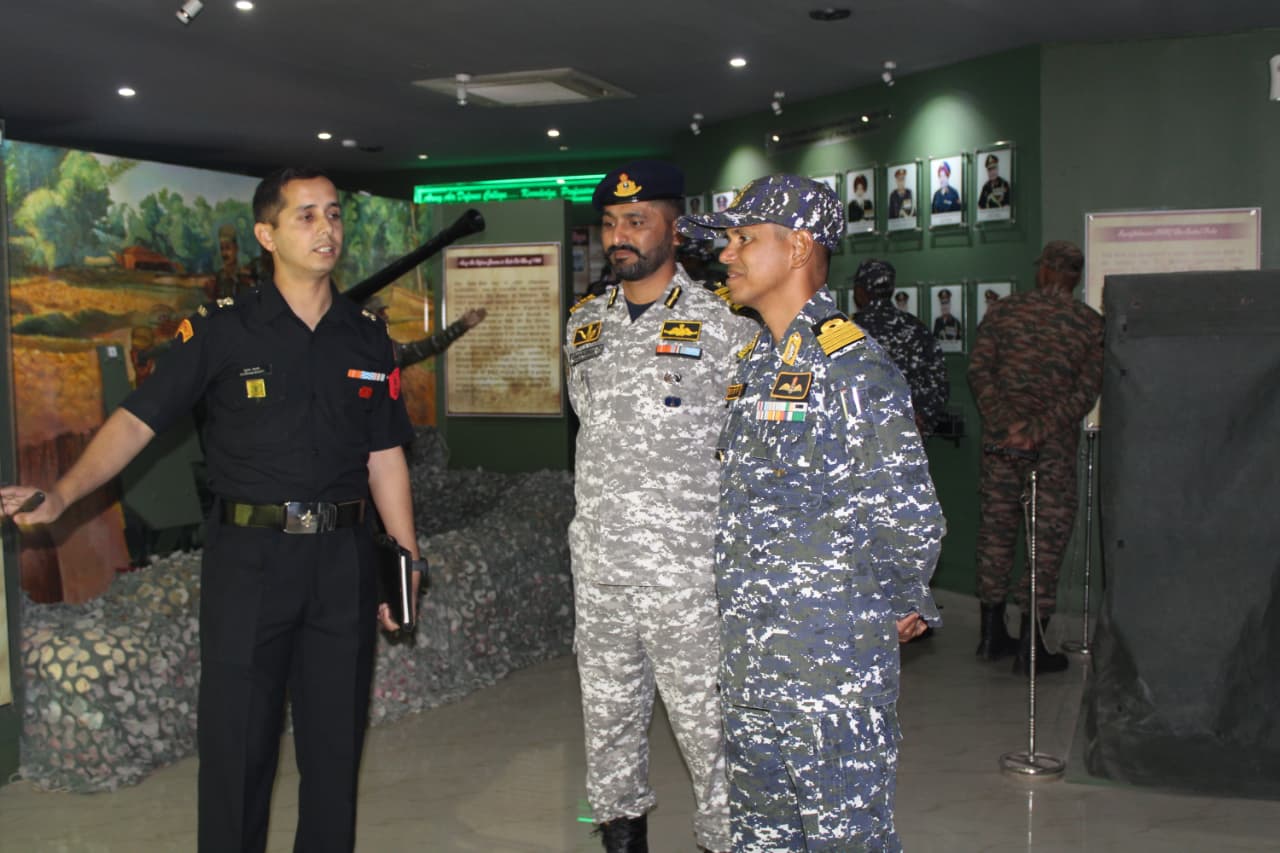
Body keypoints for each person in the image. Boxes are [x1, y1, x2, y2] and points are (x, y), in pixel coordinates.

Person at [2, 167, 422, 853]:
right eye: (306, 215)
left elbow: (385, 455)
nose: (326, 228)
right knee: (237, 750)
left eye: (334, 213)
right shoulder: (224, 331)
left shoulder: (366, 336)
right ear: (266, 234)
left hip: (342, 562)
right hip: (250, 563)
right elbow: (138, 419)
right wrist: (63, 494)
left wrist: (404, 560)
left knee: (335, 751)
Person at [677, 175, 944, 852]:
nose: (727, 254)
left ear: (797, 248)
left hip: (828, 672)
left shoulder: (852, 366)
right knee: (761, 839)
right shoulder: (757, 359)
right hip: (753, 661)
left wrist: (896, 601)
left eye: (744, 239)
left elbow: (908, 506)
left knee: (845, 839)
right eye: (728, 240)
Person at [565, 160, 757, 853]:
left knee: (712, 734)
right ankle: (621, 838)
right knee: (608, 726)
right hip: (602, 569)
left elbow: (748, 452)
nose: (619, 235)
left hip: (687, 576)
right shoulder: (584, 324)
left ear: (675, 230)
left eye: (636, 221)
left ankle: (726, 841)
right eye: (610, 223)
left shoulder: (727, 325)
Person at [968, 240, 1103, 673]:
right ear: (1075, 277)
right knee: (1044, 542)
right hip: (1052, 450)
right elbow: (1085, 392)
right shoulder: (1089, 324)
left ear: (1044, 270)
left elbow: (979, 371)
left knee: (996, 535)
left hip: (1001, 446)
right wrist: (1037, 431)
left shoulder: (1004, 312)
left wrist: (1007, 424)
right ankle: (1033, 646)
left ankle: (991, 636)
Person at [853, 259, 949, 434]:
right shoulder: (917, 328)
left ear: (860, 291)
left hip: (859, 437)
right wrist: (922, 422)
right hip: (907, 434)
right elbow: (939, 383)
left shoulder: (843, 331)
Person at [367, 295, 488, 369]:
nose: (386, 317)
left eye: (384, 312)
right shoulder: (359, 353)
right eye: (380, 313)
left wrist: (460, 326)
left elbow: (430, 346)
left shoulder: (391, 351)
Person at [212, 222, 257, 300]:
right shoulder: (220, 276)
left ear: (236, 249)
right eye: (222, 249)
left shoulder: (245, 275)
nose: (224, 253)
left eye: (228, 248)